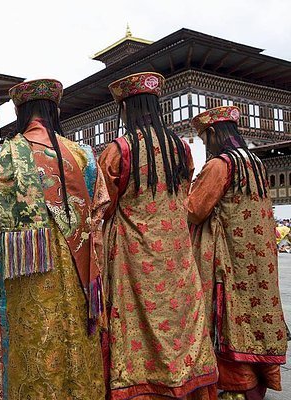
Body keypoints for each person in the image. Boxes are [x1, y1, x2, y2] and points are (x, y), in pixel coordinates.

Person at [0, 79, 110, 399]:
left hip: (28, 268)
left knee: (33, 335)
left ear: (20, 112)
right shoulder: (85, 155)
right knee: (78, 334)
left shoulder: (3, 155)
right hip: (81, 267)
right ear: (55, 110)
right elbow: (101, 207)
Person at [98, 72, 217, 399]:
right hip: (177, 253)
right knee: (180, 318)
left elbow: (104, 206)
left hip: (135, 257)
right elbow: (184, 193)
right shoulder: (181, 147)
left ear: (127, 109)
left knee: (137, 321)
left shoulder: (119, 149)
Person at [187, 106, 288, 400]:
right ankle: (258, 378)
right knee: (254, 314)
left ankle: (234, 385)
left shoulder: (220, 165)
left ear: (215, 134)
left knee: (227, 315)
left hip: (227, 256)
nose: (206, 145)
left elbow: (196, 210)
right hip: (257, 260)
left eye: (206, 139)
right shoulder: (255, 162)